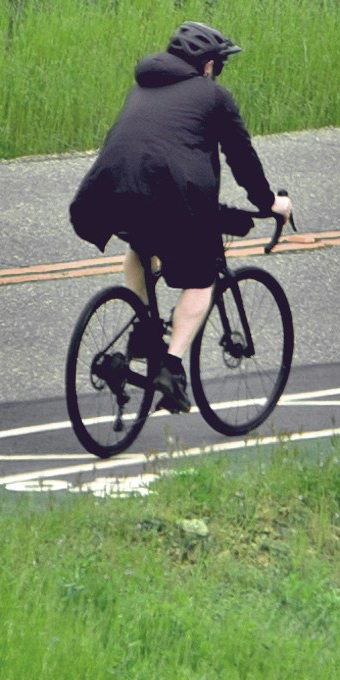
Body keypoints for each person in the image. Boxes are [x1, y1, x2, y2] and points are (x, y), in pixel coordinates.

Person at [68, 21, 290, 403]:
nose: (218, 73)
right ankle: (171, 367)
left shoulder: (141, 87)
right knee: (202, 278)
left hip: (107, 193)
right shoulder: (213, 96)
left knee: (141, 245)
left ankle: (143, 328)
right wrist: (269, 203)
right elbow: (241, 157)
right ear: (206, 65)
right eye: (218, 65)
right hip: (169, 195)